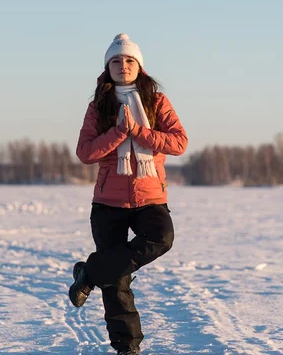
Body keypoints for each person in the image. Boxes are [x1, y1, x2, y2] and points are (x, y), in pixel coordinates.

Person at [70, 33, 188, 354]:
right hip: (108, 202)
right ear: (108, 67)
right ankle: (127, 348)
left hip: (149, 199)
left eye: (129, 60)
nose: (123, 66)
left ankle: (90, 271)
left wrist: (139, 132)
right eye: (116, 61)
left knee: (161, 238)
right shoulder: (99, 106)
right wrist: (118, 133)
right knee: (117, 282)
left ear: (140, 66)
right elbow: (85, 152)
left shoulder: (156, 102)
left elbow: (179, 142)